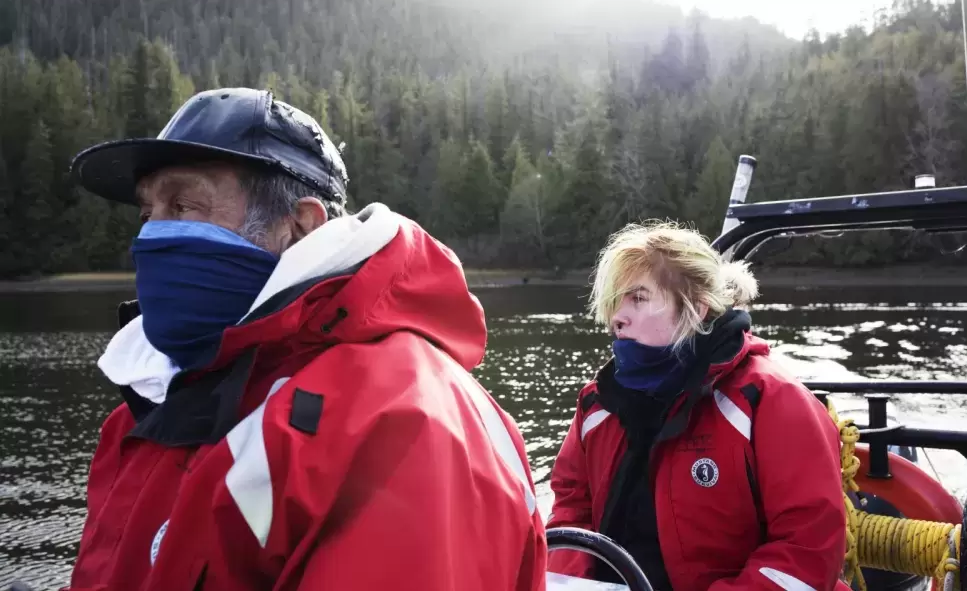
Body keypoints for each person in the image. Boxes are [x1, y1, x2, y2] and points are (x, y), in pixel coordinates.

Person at [62, 88, 548, 591]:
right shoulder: (142, 412)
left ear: (300, 226)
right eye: (147, 213)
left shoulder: (400, 420)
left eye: (184, 204)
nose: (150, 237)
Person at [546, 221, 849, 591]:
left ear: (697, 307)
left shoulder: (770, 400)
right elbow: (570, 511)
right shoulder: (597, 404)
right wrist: (572, 583)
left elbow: (807, 547)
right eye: (615, 301)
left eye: (637, 298)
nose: (617, 317)